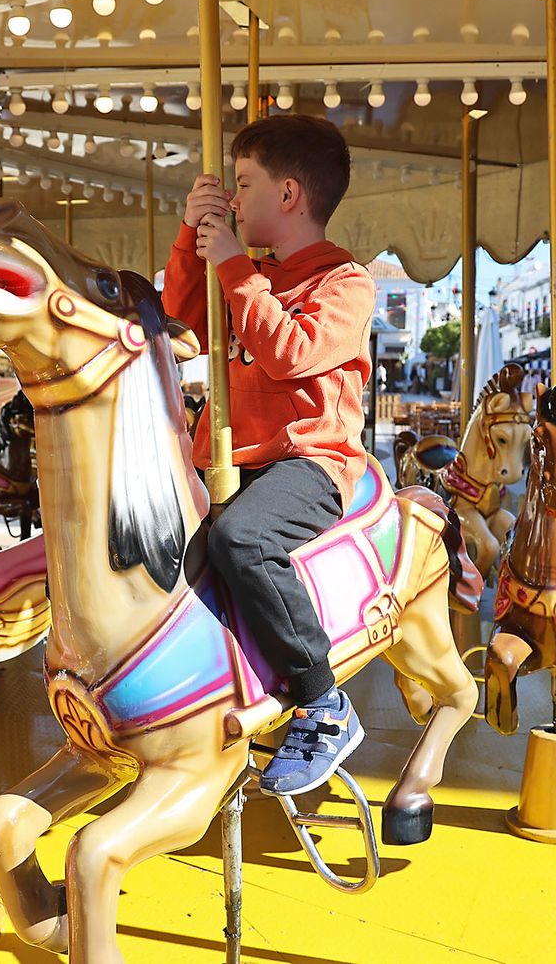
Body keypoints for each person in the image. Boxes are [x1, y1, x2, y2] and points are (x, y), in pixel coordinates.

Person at [164, 113, 371, 796]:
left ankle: (322, 702)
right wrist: (191, 241)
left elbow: (291, 353)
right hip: (229, 452)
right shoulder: (246, 271)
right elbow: (184, 323)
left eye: (244, 184)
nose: (233, 199)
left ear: (287, 196)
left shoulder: (345, 283)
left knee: (243, 538)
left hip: (308, 460)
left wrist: (231, 264)